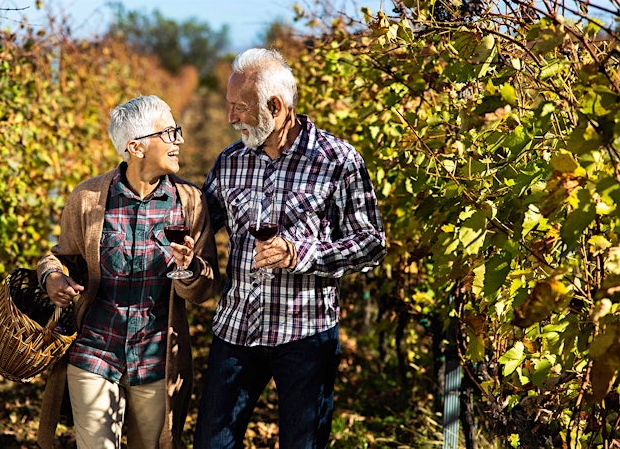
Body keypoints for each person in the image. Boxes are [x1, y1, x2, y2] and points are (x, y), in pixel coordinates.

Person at [195, 48, 387, 448]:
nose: (231, 119)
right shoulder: (230, 162)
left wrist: (301, 254)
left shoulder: (338, 161)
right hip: (236, 330)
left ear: (276, 106)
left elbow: (371, 243)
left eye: (239, 108)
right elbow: (200, 222)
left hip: (305, 335)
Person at [36, 95, 220, 449]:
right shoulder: (88, 198)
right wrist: (52, 277)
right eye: (168, 132)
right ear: (135, 147)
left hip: (155, 357)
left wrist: (189, 268)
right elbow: (60, 258)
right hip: (94, 350)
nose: (178, 140)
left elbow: (204, 290)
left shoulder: (189, 203)